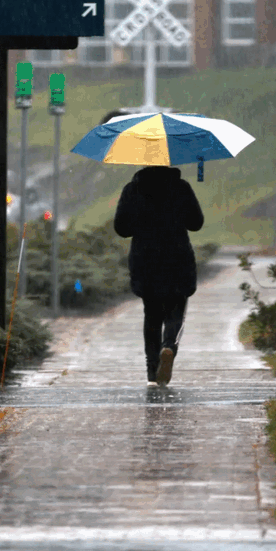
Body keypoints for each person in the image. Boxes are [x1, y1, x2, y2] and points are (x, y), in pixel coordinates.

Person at [113, 165, 204, 386]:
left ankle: (152, 372)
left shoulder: (132, 189)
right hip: (177, 258)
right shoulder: (181, 187)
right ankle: (169, 346)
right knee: (176, 309)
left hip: (146, 259)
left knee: (151, 314)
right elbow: (196, 223)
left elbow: (121, 228)